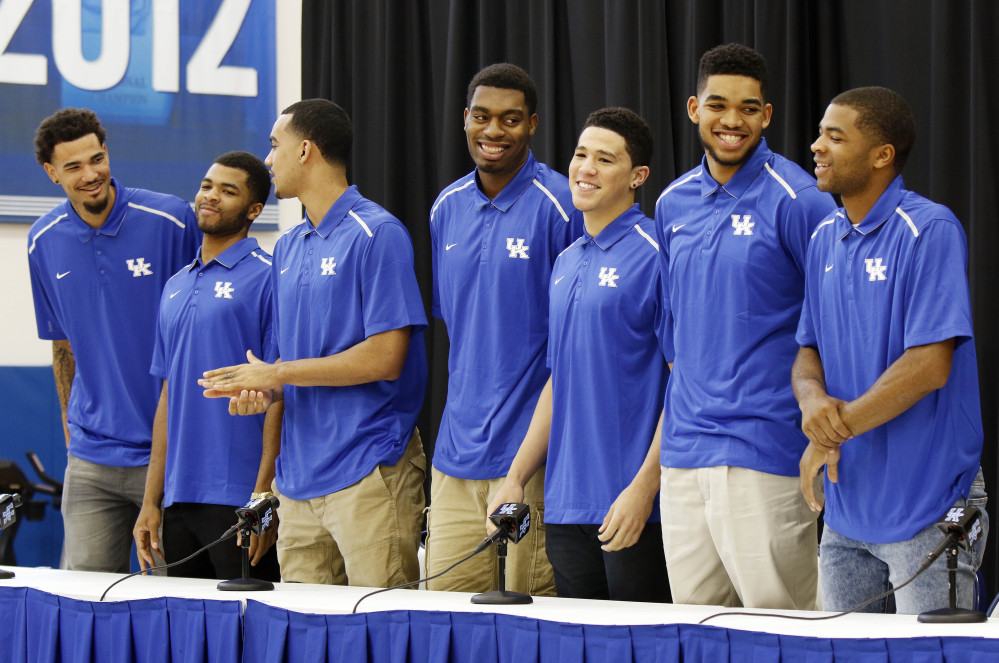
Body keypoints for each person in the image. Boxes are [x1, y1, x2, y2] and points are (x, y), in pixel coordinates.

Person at [199, 99, 427, 588]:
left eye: (274, 146)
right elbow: (291, 365)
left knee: (382, 634)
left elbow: (387, 358)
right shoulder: (287, 246)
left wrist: (276, 374)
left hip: (367, 469)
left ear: (305, 151)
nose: (268, 159)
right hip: (297, 484)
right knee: (308, 639)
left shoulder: (378, 233)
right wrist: (258, 391)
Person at [653, 43, 836, 609]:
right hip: (684, 456)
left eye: (749, 108)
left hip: (767, 453)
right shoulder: (670, 202)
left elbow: (833, 325)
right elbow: (674, 331)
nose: (733, 120)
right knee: (696, 634)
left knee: (784, 634)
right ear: (693, 108)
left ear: (768, 115)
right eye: (718, 104)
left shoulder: (800, 200)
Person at [795, 86, 987, 614]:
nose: (817, 146)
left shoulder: (929, 228)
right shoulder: (822, 237)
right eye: (819, 133)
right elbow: (806, 351)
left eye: (835, 137)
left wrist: (838, 427)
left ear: (882, 155)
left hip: (928, 507)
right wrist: (813, 406)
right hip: (846, 510)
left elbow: (929, 365)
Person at [488, 108, 669, 602]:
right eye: (580, 154)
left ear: (637, 177)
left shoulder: (657, 251)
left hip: (633, 506)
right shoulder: (566, 260)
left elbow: (683, 384)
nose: (585, 168)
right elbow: (558, 380)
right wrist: (515, 478)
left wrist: (644, 488)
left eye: (604, 159)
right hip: (567, 506)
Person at [425, 63, 580, 595]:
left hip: (531, 460)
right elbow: (461, 326)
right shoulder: (445, 208)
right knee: (443, 617)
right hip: (454, 457)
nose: (494, 131)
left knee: (529, 615)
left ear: (532, 124)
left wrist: (526, 461)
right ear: (464, 119)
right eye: (482, 117)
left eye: (510, 120)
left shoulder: (563, 206)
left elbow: (574, 350)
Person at [27, 108, 201, 573]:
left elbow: (203, 327)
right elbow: (62, 345)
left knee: (171, 607)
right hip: (91, 460)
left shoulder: (171, 220)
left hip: (171, 458)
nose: (91, 175)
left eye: (97, 158)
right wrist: (70, 424)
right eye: (73, 167)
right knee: (83, 605)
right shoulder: (41, 241)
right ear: (51, 173)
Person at [132, 151, 281, 581]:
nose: (211, 196)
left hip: (240, 497)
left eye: (228, 191)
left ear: (254, 210)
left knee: (248, 638)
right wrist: (150, 501)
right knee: (188, 641)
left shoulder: (270, 277)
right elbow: (168, 396)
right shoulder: (175, 285)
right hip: (178, 498)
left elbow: (281, 394)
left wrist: (263, 498)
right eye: (207, 186)